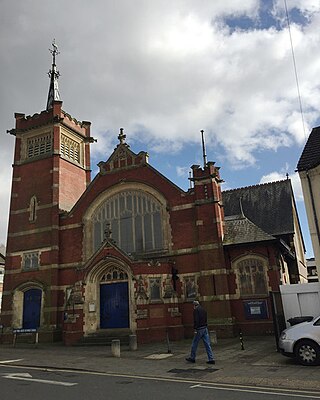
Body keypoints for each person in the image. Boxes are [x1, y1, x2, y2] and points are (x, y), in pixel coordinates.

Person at [186, 300, 215, 364]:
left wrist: (195, 329)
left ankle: (192, 357)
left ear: (194, 305)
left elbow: (196, 320)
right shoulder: (203, 310)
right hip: (205, 328)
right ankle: (211, 358)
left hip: (199, 329)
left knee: (194, 343)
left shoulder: (196, 310)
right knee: (207, 344)